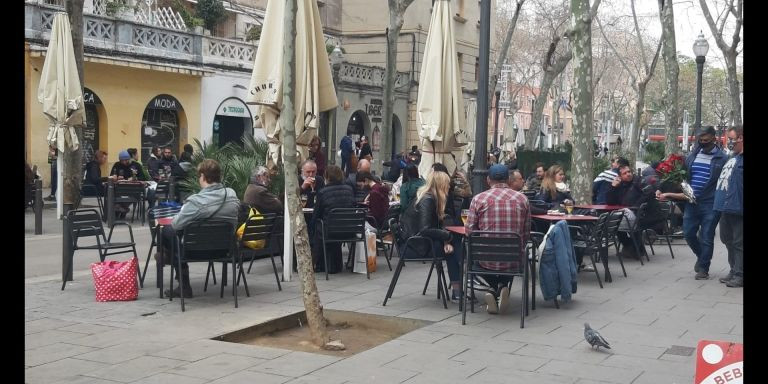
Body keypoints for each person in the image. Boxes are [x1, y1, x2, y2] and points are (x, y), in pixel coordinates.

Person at [159, 159, 240, 298]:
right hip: (225, 250)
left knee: (166, 231)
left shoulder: (196, 201)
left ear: (203, 176)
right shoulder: (231, 194)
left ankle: (177, 272)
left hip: (194, 252)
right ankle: (168, 256)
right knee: (173, 235)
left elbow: (176, 225)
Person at [465, 164, 531, 314]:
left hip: (485, 258)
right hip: (514, 259)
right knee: (508, 257)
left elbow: (469, 232)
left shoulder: (478, 199)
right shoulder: (523, 199)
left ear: (488, 180)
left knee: (472, 256)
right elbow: (526, 232)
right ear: (508, 179)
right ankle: (501, 287)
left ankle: (494, 288)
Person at [398, 171, 456, 298]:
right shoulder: (427, 200)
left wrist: (446, 240)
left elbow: (437, 224)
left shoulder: (429, 197)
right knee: (455, 250)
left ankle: (459, 288)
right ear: (440, 185)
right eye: (447, 184)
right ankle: (458, 290)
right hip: (415, 246)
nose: (449, 187)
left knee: (454, 246)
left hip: (418, 242)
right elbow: (425, 229)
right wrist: (447, 237)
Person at [682, 126, 727, 280]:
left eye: (706, 140)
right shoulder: (692, 155)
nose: (703, 142)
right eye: (700, 140)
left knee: (707, 236)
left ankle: (703, 268)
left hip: (711, 203)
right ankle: (702, 257)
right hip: (691, 201)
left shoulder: (723, 158)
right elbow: (685, 176)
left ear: (714, 139)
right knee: (688, 233)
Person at [606, 165, 659, 259]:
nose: (628, 174)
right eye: (625, 173)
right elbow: (610, 202)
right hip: (628, 214)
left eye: (629, 172)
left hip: (645, 215)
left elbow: (649, 194)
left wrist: (633, 207)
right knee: (614, 223)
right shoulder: (620, 185)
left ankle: (634, 249)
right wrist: (613, 187)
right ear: (620, 176)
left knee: (617, 223)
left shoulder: (639, 181)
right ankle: (632, 248)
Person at [310, 165, 355, 273]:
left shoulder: (323, 192)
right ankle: (333, 264)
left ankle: (316, 263)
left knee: (316, 227)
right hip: (349, 230)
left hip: (330, 231)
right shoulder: (349, 190)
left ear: (327, 177)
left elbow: (316, 214)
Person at [713, 125, 743, 287]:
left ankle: (740, 274)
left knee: (739, 242)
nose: (729, 142)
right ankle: (734, 269)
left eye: (731, 139)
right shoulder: (732, 157)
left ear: (741, 138)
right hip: (724, 207)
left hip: (738, 208)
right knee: (727, 240)